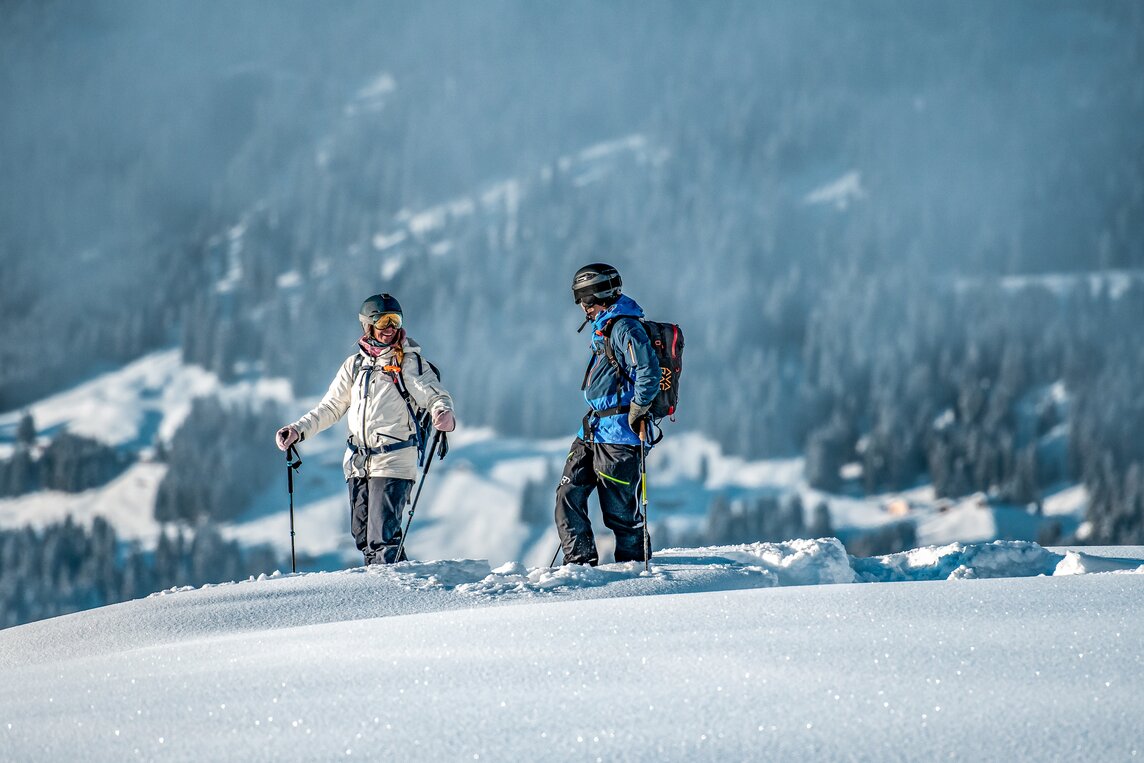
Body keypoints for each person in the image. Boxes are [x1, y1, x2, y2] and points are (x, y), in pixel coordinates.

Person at [275, 293, 455, 565]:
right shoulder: (355, 365)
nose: (390, 328)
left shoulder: (409, 363)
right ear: (367, 326)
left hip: (394, 460)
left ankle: (392, 596)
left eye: (395, 320)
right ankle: (401, 588)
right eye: (383, 322)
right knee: (363, 537)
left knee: (382, 538)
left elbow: (434, 395)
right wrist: (297, 430)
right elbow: (331, 407)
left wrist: (443, 413)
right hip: (358, 463)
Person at [555, 263, 660, 566]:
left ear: (593, 296)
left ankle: (634, 573)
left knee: (621, 514)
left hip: (619, 435)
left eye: (582, 301)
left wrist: (639, 409)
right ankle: (579, 565)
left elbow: (648, 371)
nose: (581, 308)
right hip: (593, 428)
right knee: (567, 495)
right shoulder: (606, 324)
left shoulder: (625, 327)